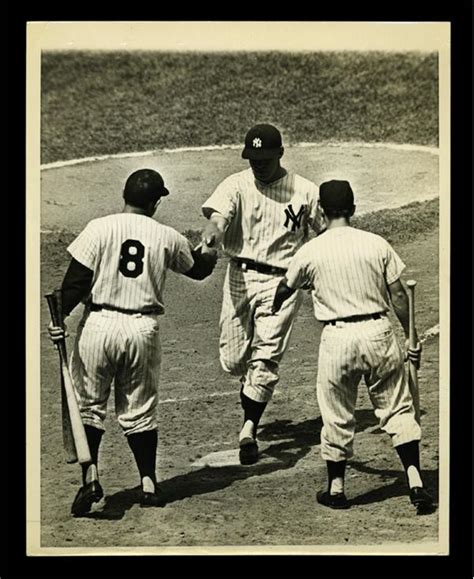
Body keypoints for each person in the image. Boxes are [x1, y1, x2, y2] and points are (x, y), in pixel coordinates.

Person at [47, 168, 217, 516]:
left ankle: (90, 476)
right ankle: (149, 482)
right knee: (139, 410)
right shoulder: (166, 235)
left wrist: (58, 321)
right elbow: (198, 269)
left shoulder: (98, 227)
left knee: (90, 407)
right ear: (155, 202)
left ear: (124, 196)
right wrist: (210, 249)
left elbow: (75, 283)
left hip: (98, 326)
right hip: (142, 329)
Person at [271, 179, 434, 513]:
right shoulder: (376, 243)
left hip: (337, 339)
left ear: (320, 210)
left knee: (336, 415)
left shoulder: (311, 250)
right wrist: (409, 336)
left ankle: (337, 488)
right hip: (378, 333)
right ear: (354, 208)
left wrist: (278, 301)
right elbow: (399, 295)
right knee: (398, 408)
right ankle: (416, 481)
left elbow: (285, 288)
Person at [201, 123, 324, 465]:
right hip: (239, 276)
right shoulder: (236, 184)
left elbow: (327, 231)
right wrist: (211, 236)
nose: (258, 164)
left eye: (265, 158)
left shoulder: (304, 191)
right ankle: (251, 387)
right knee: (233, 360)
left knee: (266, 357)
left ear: (281, 154)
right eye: (253, 158)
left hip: (282, 283)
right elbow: (218, 219)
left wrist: (318, 270)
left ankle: (249, 428)